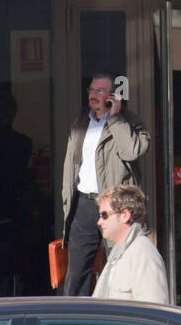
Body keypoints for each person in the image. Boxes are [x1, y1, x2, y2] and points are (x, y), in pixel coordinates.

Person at [60, 71, 151, 297]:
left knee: (118, 263)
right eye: (91, 90)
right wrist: (66, 199)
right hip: (83, 202)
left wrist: (116, 118)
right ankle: (72, 323)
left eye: (99, 91)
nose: (93, 95)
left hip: (114, 206)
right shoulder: (80, 123)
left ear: (112, 95)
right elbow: (70, 165)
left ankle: (115, 316)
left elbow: (132, 151)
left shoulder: (130, 122)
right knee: (77, 271)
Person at [73, 184, 167, 325]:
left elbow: (155, 317)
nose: (98, 222)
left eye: (104, 215)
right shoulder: (118, 255)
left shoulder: (142, 254)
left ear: (124, 215)